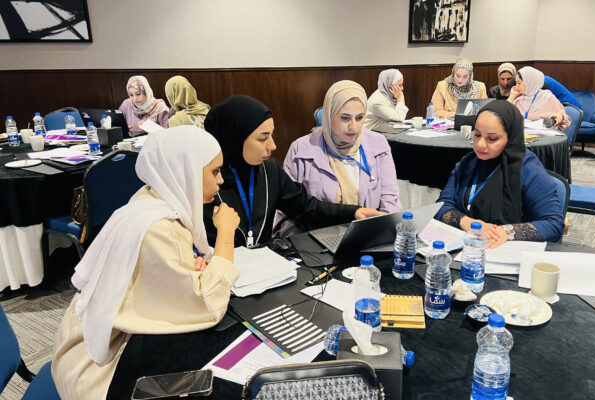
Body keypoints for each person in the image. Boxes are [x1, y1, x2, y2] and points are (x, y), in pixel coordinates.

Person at [51, 126, 241, 399]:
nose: (220, 181)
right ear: (185, 171)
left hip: (90, 337)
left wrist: (185, 270)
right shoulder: (158, 227)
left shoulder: (149, 200)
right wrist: (225, 233)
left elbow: (167, 276)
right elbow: (207, 303)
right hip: (96, 372)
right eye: (214, 172)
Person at [203, 95, 383, 248]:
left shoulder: (269, 171)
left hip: (264, 272)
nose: (273, 145)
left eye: (272, 135)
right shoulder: (202, 180)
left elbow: (306, 207)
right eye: (262, 138)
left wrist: (353, 213)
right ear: (234, 139)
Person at [277, 80, 402, 236]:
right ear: (329, 116)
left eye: (359, 117)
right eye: (345, 118)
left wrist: (381, 232)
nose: (353, 127)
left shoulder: (378, 144)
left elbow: (390, 204)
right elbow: (287, 213)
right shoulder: (301, 148)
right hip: (314, 242)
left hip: (366, 237)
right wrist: (301, 247)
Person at [435, 101, 563, 247]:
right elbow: (442, 206)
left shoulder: (528, 169)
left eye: (492, 138)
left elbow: (554, 224)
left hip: (508, 252)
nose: (480, 144)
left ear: (510, 138)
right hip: (468, 249)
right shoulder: (468, 163)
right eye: (477, 135)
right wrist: (467, 222)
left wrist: (507, 232)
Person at [507, 66, 570, 131]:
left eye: (519, 83)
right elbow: (505, 116)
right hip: (523, 137)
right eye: (516, 83)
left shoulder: (548, 97)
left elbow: (566, 120)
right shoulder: (519, 99)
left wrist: (561, 117)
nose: (516, 86)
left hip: (544, 138)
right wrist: (511, 97)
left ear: (529, 82)